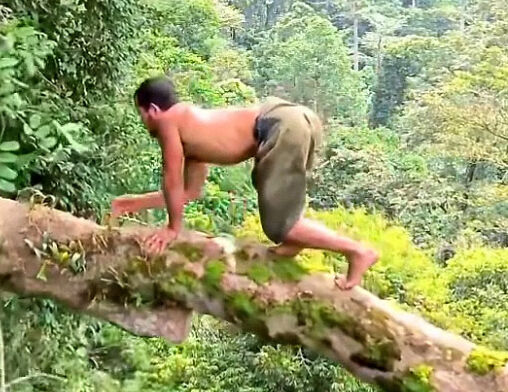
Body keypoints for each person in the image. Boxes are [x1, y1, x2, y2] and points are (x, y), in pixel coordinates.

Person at [110, 76, 378, 290]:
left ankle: (356, 251)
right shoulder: (189, 128)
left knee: (279, 225)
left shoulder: (169, 122)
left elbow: (170, 178)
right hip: (292, 118)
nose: (144, 122)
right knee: (280, 205)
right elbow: (188, 192)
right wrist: (131, 203)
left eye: (141, 114)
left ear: (153, 110)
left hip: (278, 124)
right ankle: (296, 241)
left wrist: (172, 229)